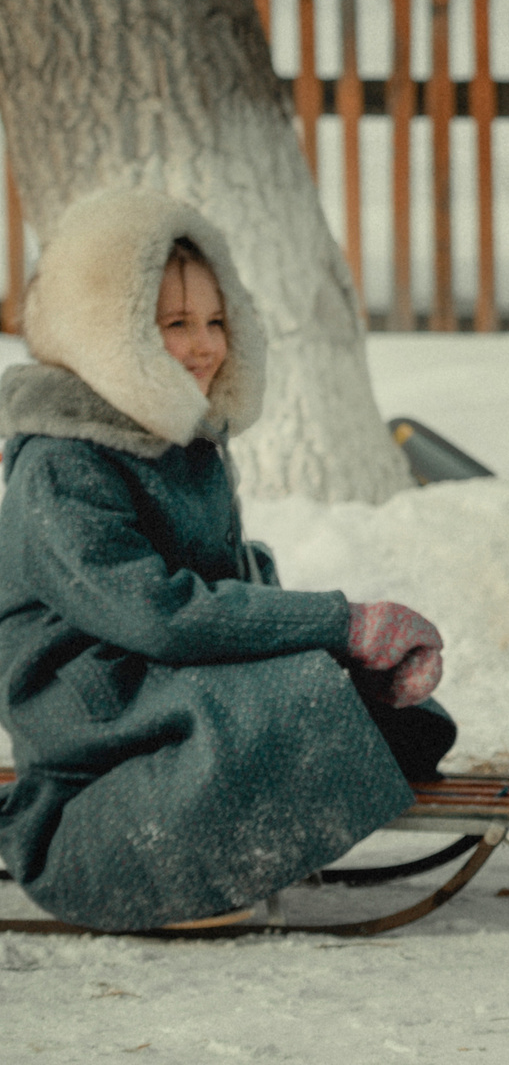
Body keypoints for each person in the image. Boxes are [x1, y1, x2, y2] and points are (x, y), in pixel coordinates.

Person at [0, 186, 452, 932]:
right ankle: (119, 855)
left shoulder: (182, 441)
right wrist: (338, 623)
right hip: (96, 710)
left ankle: (246, 827)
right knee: (295, 706)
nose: (206, 345)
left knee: (392, 715)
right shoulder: (62, 461)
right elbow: (160, 612)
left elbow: (228, 582)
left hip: (159, 679)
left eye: (215, 321)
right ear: (108, 333)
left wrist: (350, 655)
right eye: (175, 324)